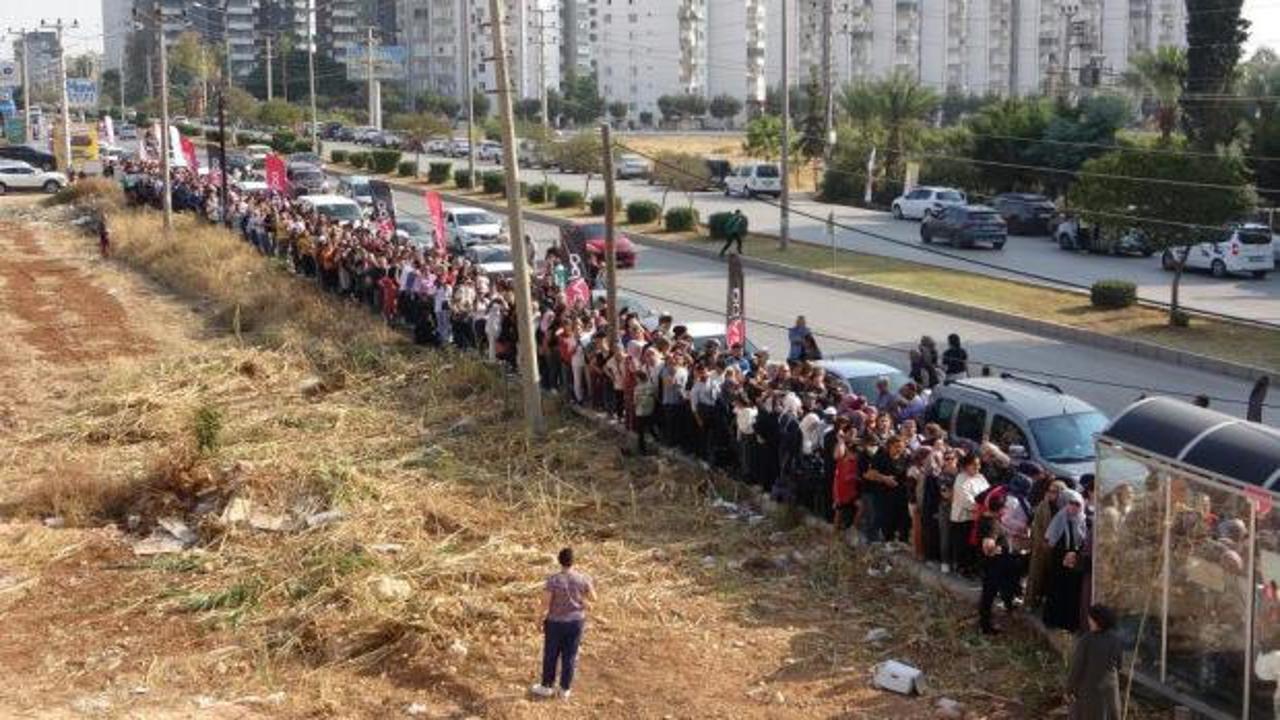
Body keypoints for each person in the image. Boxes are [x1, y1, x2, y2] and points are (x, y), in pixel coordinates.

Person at [532, 547, 597, 700]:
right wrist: (582, 601)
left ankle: (547, 686)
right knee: (570, 656)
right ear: (573, 561)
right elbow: (594, 598)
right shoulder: (583, 578)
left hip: (555, 623)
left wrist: (538, 620)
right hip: (575, 622)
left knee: (551, 654)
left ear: (559, 561)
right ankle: (564, 690)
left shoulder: (553, 580)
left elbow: (545, 603)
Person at [1065, 604, 1123, 720]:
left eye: (1090, 619)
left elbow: (1077, 667)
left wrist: (1069, 689)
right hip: (1110, 689)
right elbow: (1119, 665)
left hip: (1090, 690)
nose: (1089, 621)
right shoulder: (1116, 639)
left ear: (1098, 621)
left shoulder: (1086, 640)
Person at [1043, 489, 1088, 632]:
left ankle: (1069, 623)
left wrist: (1075, 554)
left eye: (1077, 504)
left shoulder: (1082, 520)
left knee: (1072, 594)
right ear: (1065, 504)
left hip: (1075, 565)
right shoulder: (1059, 519)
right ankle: (1053, 620)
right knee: (1057, 591)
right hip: (1059, 564)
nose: (1075, 507)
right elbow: (1050, 542)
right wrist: (1064, 554)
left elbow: (1083, 542)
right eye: (1071, 504)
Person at [977, 494, 1018, 634]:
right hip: (993, 565)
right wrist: (996, 549)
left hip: (990, 564)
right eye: (1005, 507)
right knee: (988, 595)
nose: (1006, 509)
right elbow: (988, 545)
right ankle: (986, 626)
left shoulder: (985, 517)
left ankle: (986, 622)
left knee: (988, 594)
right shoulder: (993, 524)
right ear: (1000, 509)